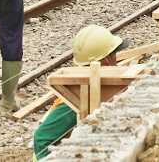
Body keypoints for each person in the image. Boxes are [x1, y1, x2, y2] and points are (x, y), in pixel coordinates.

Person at [32, 25, 126, 159]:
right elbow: (41, 139)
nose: (116, 59)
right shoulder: (78, 97)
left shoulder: (92, 85)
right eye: (114, 54)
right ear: (106, 60)